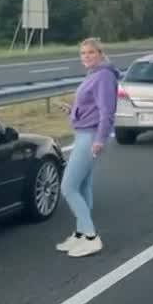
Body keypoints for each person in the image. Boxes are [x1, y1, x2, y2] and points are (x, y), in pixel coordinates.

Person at [56, 37, 120, 258]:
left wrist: (99, 140)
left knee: (68, 187)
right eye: (83, 53)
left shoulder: (103, 76)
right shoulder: (94, 74)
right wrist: (72, 110)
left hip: (91, 136)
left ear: (101, 53)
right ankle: (81, 233)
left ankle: (91, 237)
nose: (86, 57)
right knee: (83, 186)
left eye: (91, 52)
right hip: (84, 132)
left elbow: (106, 112)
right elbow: (90, 106)